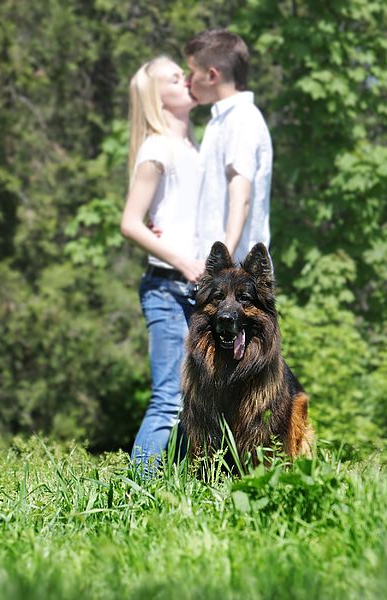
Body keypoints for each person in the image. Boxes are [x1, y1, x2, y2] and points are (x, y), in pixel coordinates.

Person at [120, 56, 205, 472]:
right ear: (157, 98)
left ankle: (176, 491)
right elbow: (130, 223)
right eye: (175, 77)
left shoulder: (195, 145)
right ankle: (137, 496)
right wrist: (183, 261)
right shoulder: (157, 148)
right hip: (169, 288)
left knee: (196, 399)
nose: (187, 79)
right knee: (170, 399)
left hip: (196, 288)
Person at [185, 29, 273, 263]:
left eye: (192, 72)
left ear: (212, 75)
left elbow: (241, 197)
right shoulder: (220, 121)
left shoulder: (242, 119)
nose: (187, 81)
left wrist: (222, 260)